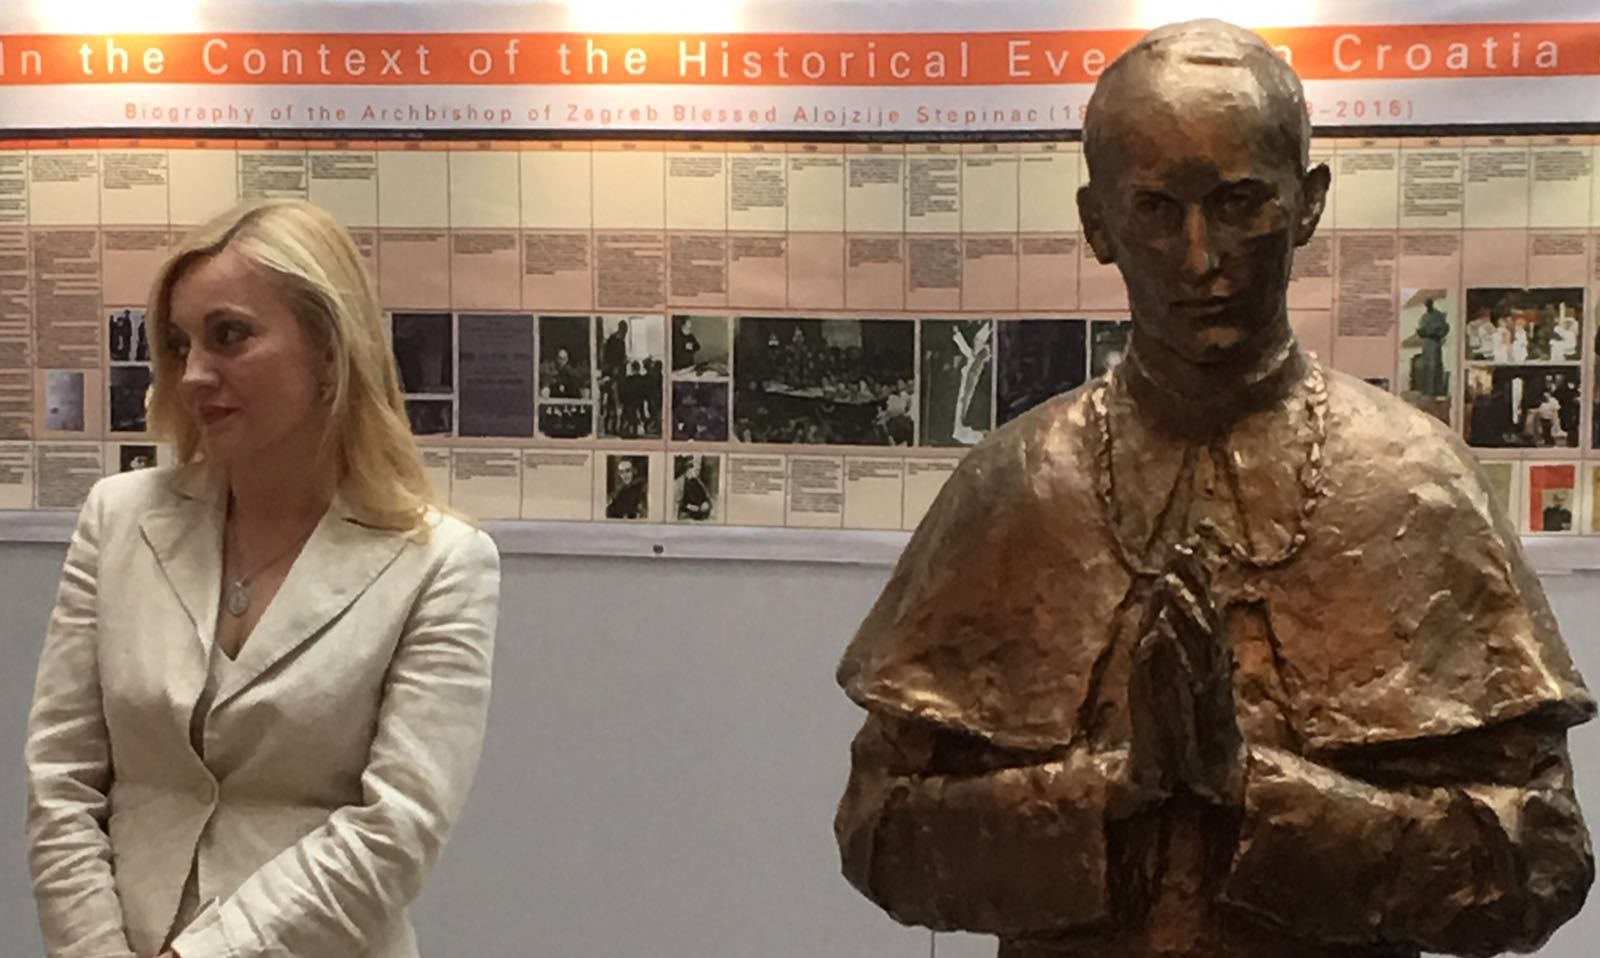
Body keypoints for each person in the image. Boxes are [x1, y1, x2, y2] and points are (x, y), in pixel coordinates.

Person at [835, 20, 1592, 958]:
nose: (1201, 258)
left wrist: (1252, 790)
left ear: (1308, 204)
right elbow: (881, 832)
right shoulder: (1013, 487)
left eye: (1240, 204)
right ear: (1097, 223)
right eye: (1157, 210)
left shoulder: (1417, 482)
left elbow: (1539, 863)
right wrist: (1117, 789)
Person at [25, 199, 501, 958]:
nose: (193, 374)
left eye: (230, 336)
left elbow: (396, 830)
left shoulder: (439, 562)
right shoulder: (118, 518)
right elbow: (62, 780)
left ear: (329, 350)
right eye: (178, 344)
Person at [1411, 297, 1449, 397]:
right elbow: (1422, 329)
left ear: (1431, 304)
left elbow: (1444, 328)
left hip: (1434, 343)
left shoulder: (1438, 315)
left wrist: (1434, 332)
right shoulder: (1424, 317)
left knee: (1434, 366)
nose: (1427, 305)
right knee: (1425, 366)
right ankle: (1426, 390)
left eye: (1428, 303)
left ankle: (1435, 390)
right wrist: (1421, 332)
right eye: (1426, 304)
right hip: (1426, 344)